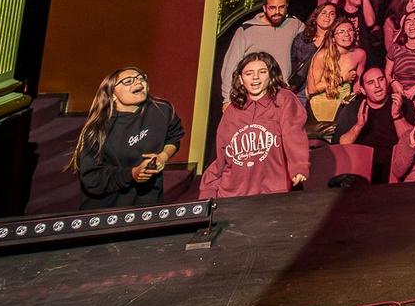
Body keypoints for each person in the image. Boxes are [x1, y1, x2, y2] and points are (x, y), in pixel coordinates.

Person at [68, 67, 183, 208]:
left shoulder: (162, 110)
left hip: (147, 202)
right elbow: (92, 179)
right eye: (128, 81)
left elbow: (173, 138)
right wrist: (132, 174)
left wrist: (163, 156)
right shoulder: (98, 129)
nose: (138, 82)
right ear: (112, 94)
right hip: (107, 208)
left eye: (141, 78)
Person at [201, 52, 310, 198]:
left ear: (271, 75)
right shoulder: (232, 110)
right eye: (248, 73)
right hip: (233, 194)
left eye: (262, 72)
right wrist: (209, 190)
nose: (255, 77)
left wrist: (299, 166)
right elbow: (221, 155)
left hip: (273, 191)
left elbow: (294, 134)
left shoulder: (284, 99)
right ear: (240, 79)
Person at [219, 0, 302, 96]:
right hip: (253, 94)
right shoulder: (246, 30)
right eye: (272, 8)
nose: (277, 12)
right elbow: (230, 67)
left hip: (281, 94)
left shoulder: (294, 24)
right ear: (264, 8)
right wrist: (227, 98)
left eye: (281, 7)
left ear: (287, 7)